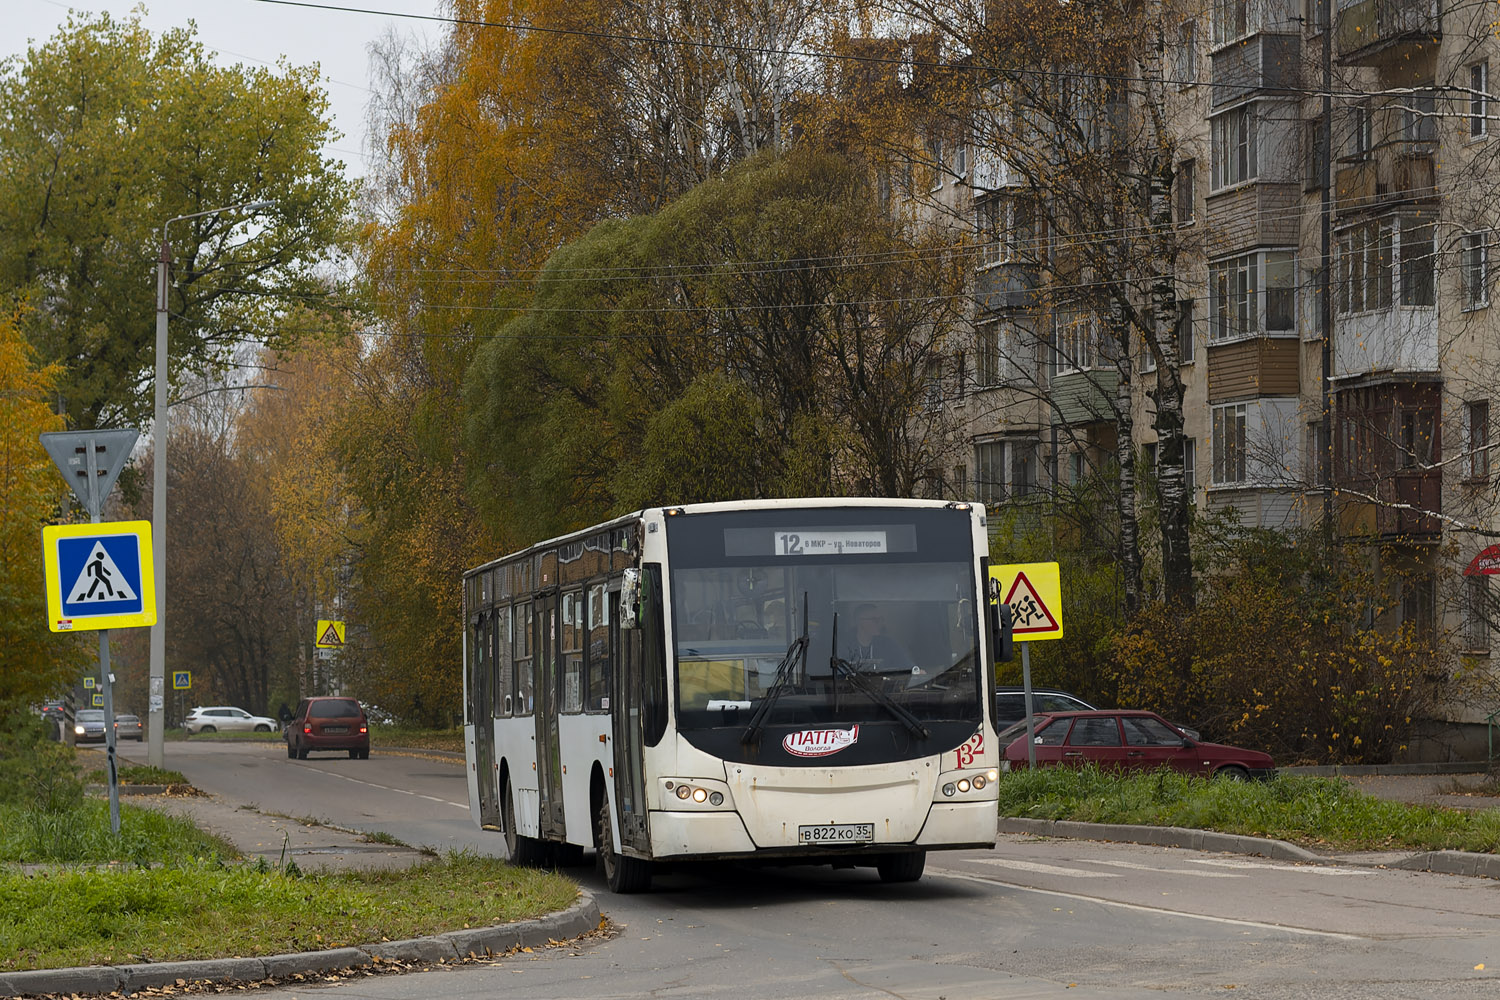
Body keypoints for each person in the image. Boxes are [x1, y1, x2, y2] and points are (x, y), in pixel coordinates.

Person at [842, 604, 917, 672]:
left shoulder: (887, 644)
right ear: (859, 621)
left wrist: (916, 671)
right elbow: (839, 674)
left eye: (880, 619)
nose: (880, 623)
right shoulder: (844, 644)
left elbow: (906, 665)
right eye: (874, 619)